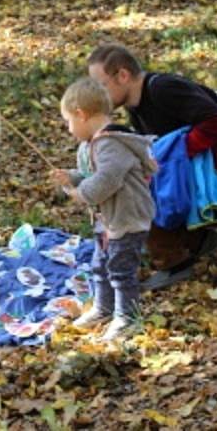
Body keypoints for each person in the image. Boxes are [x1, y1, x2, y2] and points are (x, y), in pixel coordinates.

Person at [87, 44, 217, 290]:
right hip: (197, 182)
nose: (99, 97)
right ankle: (196, 240)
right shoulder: (136, 107)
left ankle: (173, 262)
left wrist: (176, 152)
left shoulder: (164, 89)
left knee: (136, 199)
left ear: (123, 75)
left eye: (101, 86)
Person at [51, 77, 157, 342]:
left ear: (81, 114)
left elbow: (106, 180)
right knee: (100, 265)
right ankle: (103, 308)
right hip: (107, 220)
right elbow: (91, 173)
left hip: (127, 218)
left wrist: (81, 192)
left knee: (121, 270)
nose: (68, 129)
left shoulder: (111, 144)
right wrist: (73, 178)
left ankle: (127, 317)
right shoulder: (93, 144)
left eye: (68, 121)